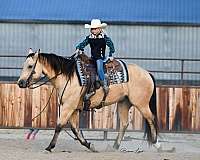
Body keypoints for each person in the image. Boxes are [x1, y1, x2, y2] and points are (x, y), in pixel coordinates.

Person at [75, 19, 115, 94]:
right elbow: (83, 44)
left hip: (100, 58)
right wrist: (78, 47)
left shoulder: (104, 38)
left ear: (100, 29)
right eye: (92, 29)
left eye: (95, 29)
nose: (93, 30)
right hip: (93, 57)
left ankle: (104, 84)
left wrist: (110, 55)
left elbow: (111, 46)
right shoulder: (89, 38)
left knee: (99, 69)